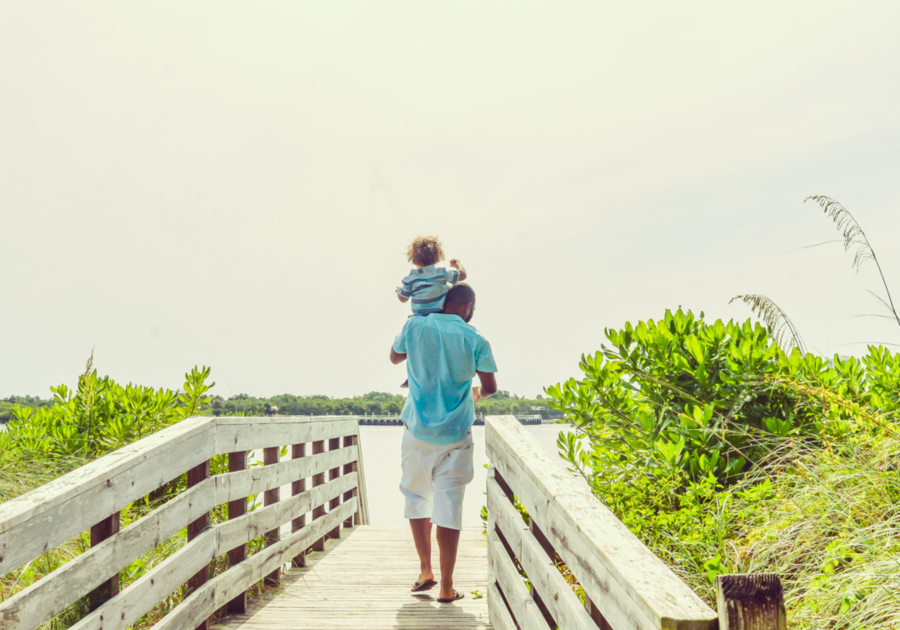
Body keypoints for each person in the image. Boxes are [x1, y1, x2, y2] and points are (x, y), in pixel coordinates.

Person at [389, 283, 497, 604]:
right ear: (466, 307)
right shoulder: (476, 338)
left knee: (416, 497)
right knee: (450, 507)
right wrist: (475, 393)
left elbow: (394, 357)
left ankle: (425, 571)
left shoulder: (416, 325)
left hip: (417, 433)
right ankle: (447, 587)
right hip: (456, 437)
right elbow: (489, 386)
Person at [396, 235, 467, 315]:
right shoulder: (441, 273)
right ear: (436, 259)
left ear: (413, 260)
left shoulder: (410, 279)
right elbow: (462, 275)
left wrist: (399, 290)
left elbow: (403, 298)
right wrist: (457, 264)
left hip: (419, 318)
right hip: (440, 315)